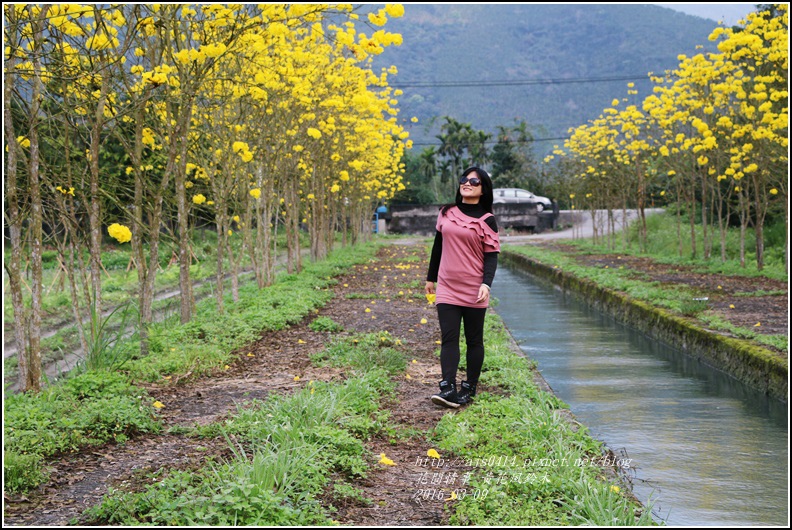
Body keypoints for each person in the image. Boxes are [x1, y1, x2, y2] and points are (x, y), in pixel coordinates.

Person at [425, 167, 500, 409]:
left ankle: (469, 388)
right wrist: (430, 278)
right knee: (449, 337)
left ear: (483, 188)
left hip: (473, 288)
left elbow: (491, 256)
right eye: (464, 179)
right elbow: (438, 246)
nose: (466, 183)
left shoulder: (487, 220)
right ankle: (447, 387)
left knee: (474, 340)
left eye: (473, 181)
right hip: (447, 285)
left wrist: (486, 284)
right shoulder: (446, 212)